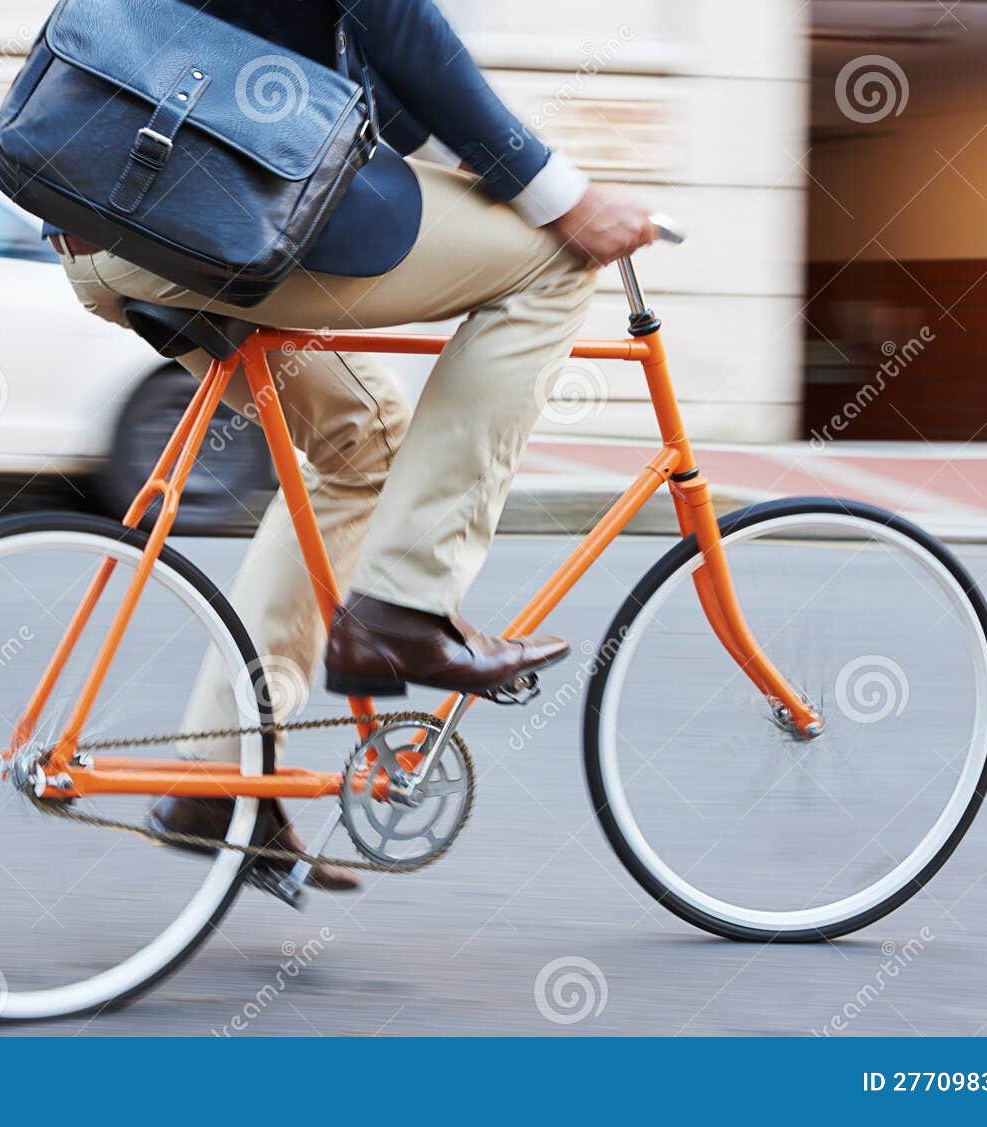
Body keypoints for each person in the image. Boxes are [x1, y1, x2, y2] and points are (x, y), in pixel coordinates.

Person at [49, 0, 655, 896]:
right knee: (553, 263)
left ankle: (217, 775)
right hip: (198, 213)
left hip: (103, 221)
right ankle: (406, 607)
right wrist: (563, 197)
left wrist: (491, 161)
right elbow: (402, 25)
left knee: (360, 444)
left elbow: (385, 83)